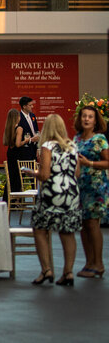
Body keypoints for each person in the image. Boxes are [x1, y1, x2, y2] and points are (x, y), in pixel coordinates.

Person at [31, 113, 81, 285]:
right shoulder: (73, 146)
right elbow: (78, 172)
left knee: (40, 229)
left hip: (53, 192)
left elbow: (44, 174)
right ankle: (68, 272)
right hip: (71, 192)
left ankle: (46, 270)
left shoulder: (47, 146)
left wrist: (32, 173)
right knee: (67, 232)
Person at [73, 104, 109, 278]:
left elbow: (107, 162)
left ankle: (99, 264)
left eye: (90, 117)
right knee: (83, 225)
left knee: (93, 224)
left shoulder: (100, 139)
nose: (86, 119)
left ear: (95, 121)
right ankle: (88, 263)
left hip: (96, 188)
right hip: (80, 187)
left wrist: (90, 164)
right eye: (84, 116)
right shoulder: (76, 139)